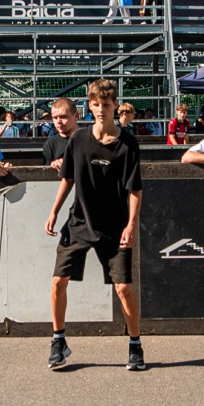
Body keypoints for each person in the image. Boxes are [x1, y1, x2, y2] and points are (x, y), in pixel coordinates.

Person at [45, 79, 145, 373]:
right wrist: (54, 211)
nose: (102, 109)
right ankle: (58, 341)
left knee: (124, 288)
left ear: (115, 105)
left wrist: (131, 224)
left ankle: (135, 345)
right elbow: (68, 178)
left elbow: (135, 189)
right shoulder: (78, 139)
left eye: (107, 104)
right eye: (97, 104)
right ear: (90, 106)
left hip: (114, 226)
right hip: (78, 222)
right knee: (58, 282)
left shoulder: (128, 144)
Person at [40, 97, 78, 172]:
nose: (58, 121)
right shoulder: (50, 144)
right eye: (55, 118)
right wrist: (53, 165)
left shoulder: (88, 139)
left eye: (63, 117)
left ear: (76, 116)